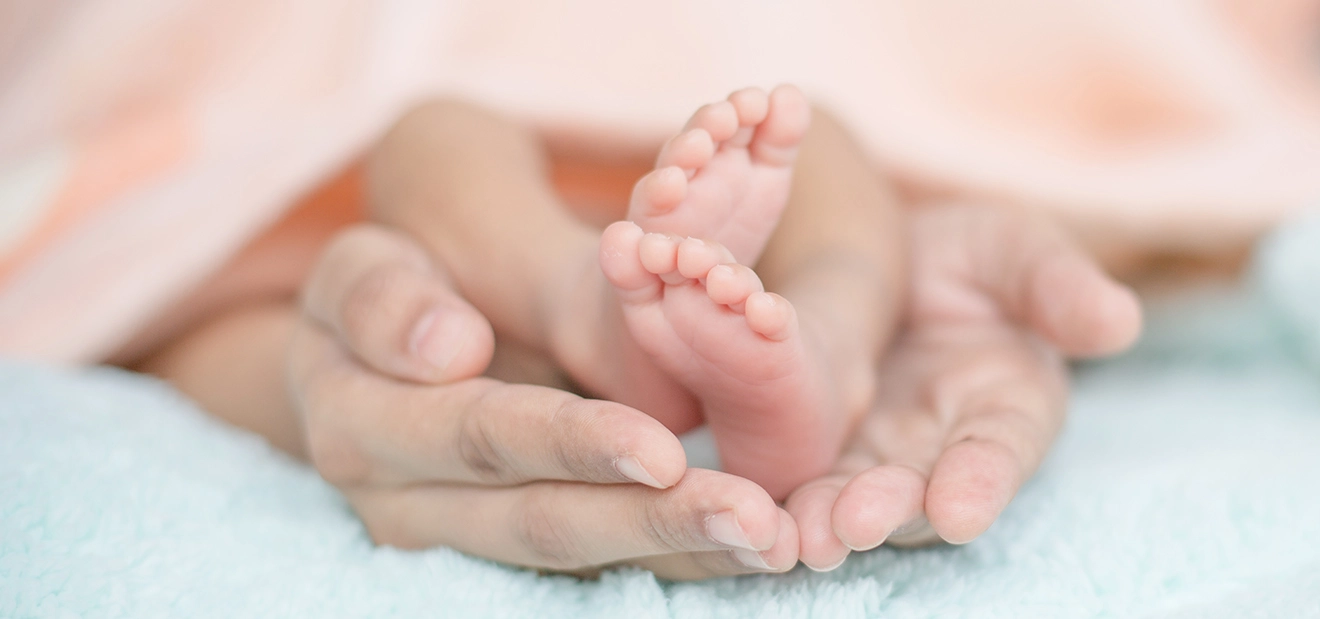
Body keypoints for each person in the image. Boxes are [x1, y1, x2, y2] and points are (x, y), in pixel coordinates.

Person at [140, 87, 1141, 577]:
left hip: (681, 198)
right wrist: (311, 379)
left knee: (820, 137)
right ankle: (597, 305)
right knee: (430, 132)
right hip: (490, 266)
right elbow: (176, 303)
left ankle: (823, 333)